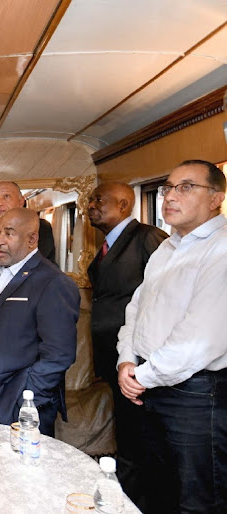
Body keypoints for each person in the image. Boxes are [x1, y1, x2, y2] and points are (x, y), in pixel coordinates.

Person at [116, 160, 227, 512]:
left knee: (196, 498)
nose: (170, 196)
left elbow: (201, 337)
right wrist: (127, 360)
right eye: (168, 188)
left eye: (186, 187)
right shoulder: (166, 248)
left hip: (195, 394)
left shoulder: (221, 250)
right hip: (149, 383)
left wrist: (142, 376)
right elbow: (137, 310)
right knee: (155, 487)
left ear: (216, 199)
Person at [86, 182, 167, 507]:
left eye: (98, 200)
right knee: (129, 434)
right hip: (116, 358)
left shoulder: (148, 239)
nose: (90, 205)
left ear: (123, 204)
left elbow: (162, 298)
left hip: (139, 360)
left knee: (141, 439)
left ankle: (137, 501)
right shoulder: (107, 245)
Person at [0, 208, 79, 436]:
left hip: (19, 403)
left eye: (9, 234)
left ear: (32, 239)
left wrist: (25, 398)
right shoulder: (4, 272)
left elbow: (59, 354)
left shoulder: (52, 282)